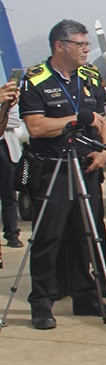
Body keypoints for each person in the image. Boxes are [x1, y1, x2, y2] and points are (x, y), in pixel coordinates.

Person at [19, 19, 106, 330]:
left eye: (88, 43)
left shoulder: (90, 76)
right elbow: (36, 127)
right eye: (80, 44)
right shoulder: (35, 79)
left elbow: (102, 122)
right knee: (49, 238)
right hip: (53, 169)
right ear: (60, 46)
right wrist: (76, 119)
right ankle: (42, 303)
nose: (87, 49)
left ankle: (85, 295)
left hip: (87, 168)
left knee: (87, 234)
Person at [0, 80, 22, 249]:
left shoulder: (8, 96)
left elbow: (15, 121)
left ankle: (12, 233)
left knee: (9, 194)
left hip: (6, 148)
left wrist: (5, 107)